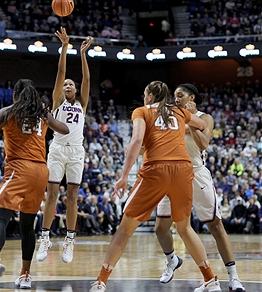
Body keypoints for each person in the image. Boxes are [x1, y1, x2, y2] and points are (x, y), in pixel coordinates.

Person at [89, 81, 221, 292]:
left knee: (124, 230)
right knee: (185, 228)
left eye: (144, 94)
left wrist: (123, 176)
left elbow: (136, 141)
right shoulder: (178, 112)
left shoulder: (142, 111)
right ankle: (211, 279)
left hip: (156, 170)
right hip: (182, 170)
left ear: (149, 97)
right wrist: (182, 128)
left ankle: (101, 280)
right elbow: (203, 125)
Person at [0, 79, 69, 292]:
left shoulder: (7, 112)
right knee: (27, 225)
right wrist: (50, 115)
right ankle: (25, 275)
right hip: (41, 172)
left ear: (16, 95)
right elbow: (63, 129)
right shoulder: (42, 114)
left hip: (20, 169)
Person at [154, 83, 245, 292]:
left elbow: (203, 144)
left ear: (191, 98)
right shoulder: (169, 116)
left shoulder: (205, 118)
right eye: (174, 96)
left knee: (215, 226)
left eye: (180, 95)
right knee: (160, 228)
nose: (176, 99)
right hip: (172, 175)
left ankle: (233, 277)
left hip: (196, 173)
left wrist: (190, 120)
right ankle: (172, 261)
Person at [36, 27, 92, 264]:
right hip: (57, 149)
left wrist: (83, 54)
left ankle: (70, 239)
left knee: (72, 197)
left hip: (77, 151)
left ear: (77, 90)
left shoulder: (82, 104)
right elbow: (60, 71)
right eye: (66, 84)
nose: (68, 85)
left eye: (71, 84)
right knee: (51, 195)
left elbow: (87, 78)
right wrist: (65, 47)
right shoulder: (57, 101)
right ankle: (45, 237)